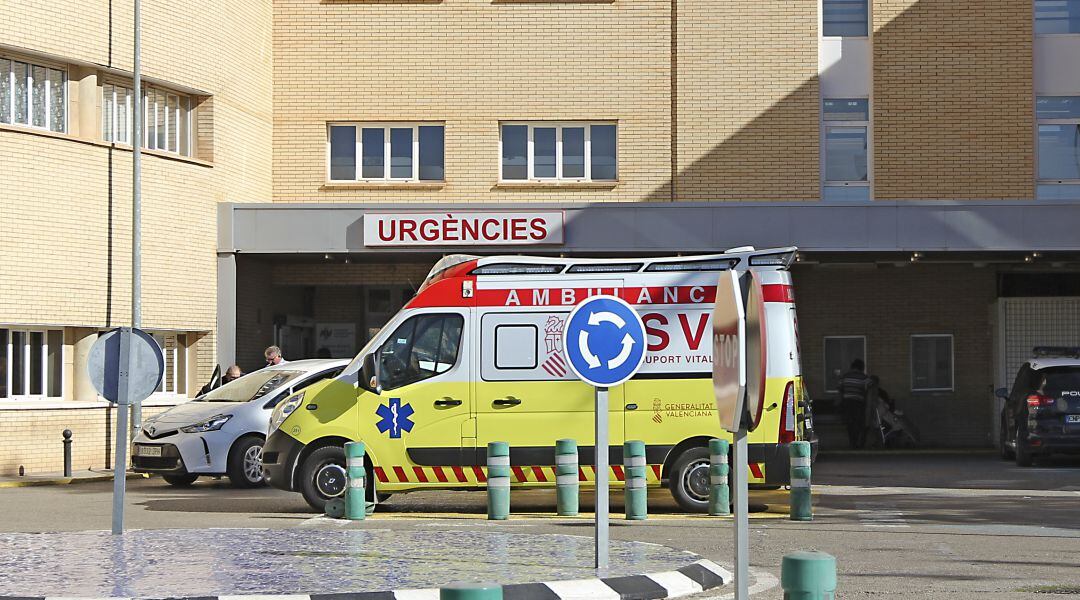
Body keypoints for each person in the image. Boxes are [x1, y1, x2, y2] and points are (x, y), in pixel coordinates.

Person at [838, 359, 871, 449]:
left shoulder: (845, 376)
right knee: (859, 423)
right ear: (861, 367)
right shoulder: (863, 377)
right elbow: (870, 386)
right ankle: (858, 443)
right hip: (858, 403)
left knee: (850, 423)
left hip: (847, 403)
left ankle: (852, 442)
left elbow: (840, 387)